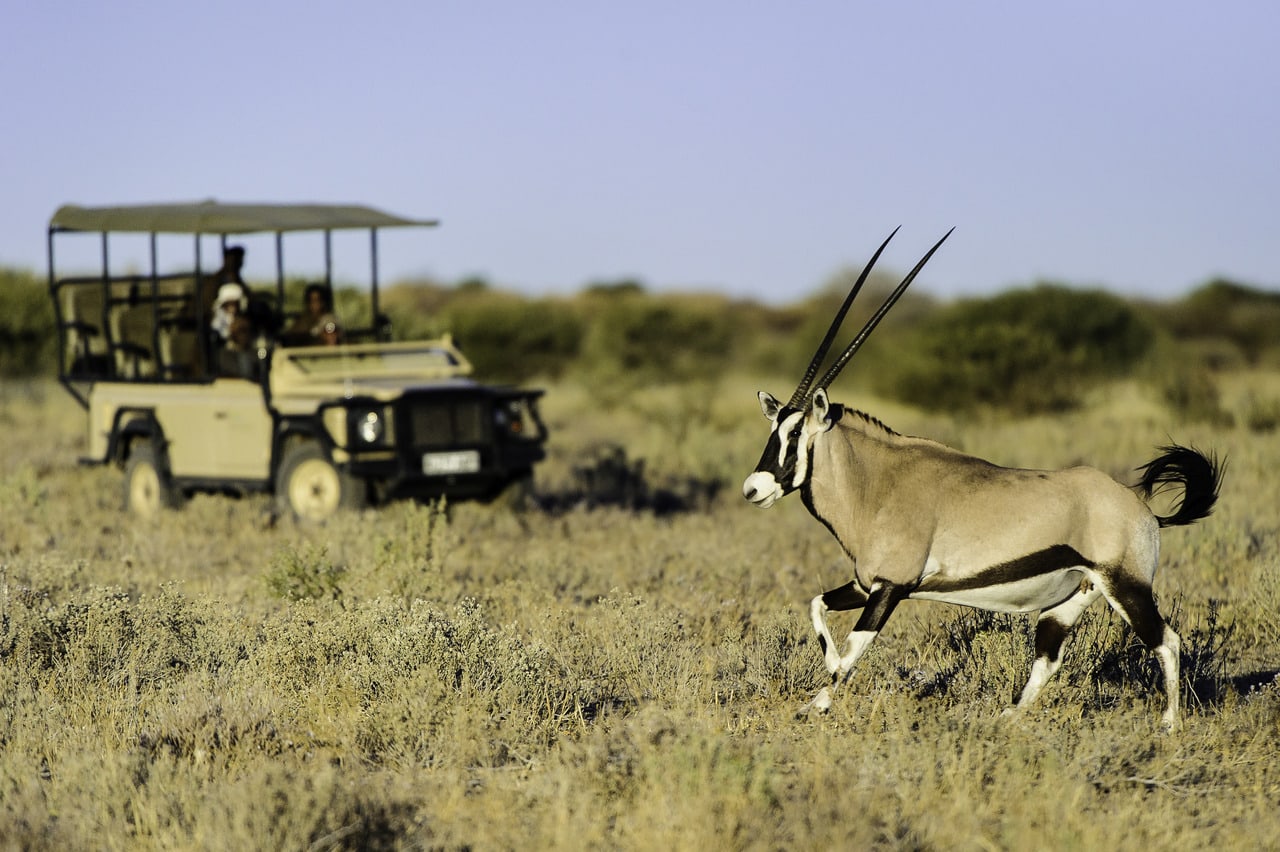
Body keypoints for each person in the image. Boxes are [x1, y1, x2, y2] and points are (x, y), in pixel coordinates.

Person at [209, 282, 258, 377]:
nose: (232, 307)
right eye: (229, 304)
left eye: (234, 304)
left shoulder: (244, 320)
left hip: (243, 351)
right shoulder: (218, 321)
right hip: (226, 352)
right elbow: (219, 332)